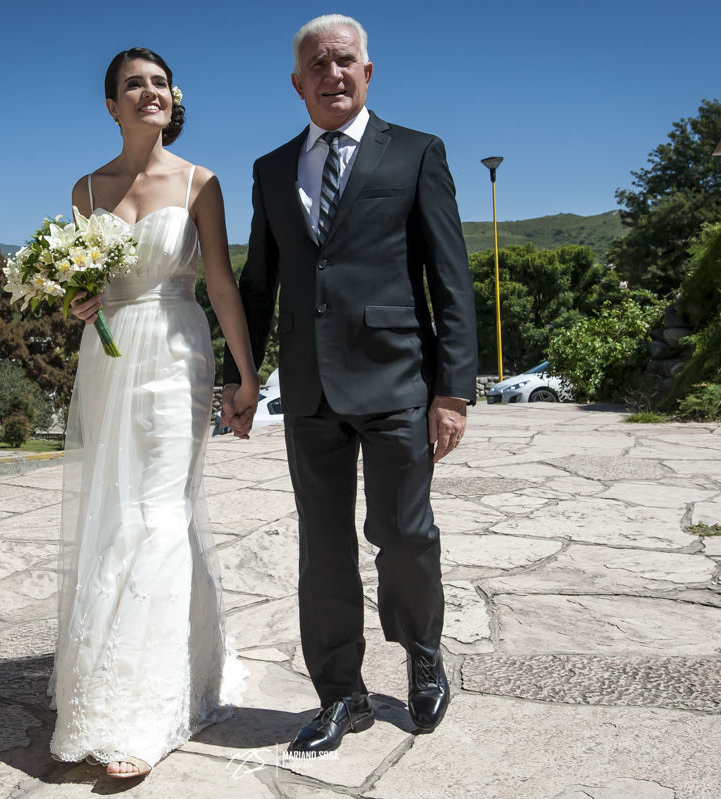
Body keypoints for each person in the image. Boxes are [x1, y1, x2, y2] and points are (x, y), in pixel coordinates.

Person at [222, 15, 478, 754]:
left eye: (345, 61)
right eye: (317, 65)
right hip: (308, 393)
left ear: (368, 73)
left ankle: (423, 657)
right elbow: (259, 281)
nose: (332, 74)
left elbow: (449, 277)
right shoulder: (272, 170)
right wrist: (245, 380)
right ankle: (342, 694)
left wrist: (452, 389)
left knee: (404, 535)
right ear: (297, 82)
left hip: (399, 380)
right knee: (322, 550)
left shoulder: (418, 153)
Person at [53, 47, 260, 779]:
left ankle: (148, 708)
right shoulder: (86, 188)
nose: (150, 92)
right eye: (134, 84)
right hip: (109, 361)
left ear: (174, 99)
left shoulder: (201, 182)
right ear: (111, 105)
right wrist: (76, 303)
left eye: (160, 83)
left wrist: (245, 371)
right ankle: (107, 685)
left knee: (160, 511)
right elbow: (82, 290)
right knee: (116, 511)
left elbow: (220, 283)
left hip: (177, 356)